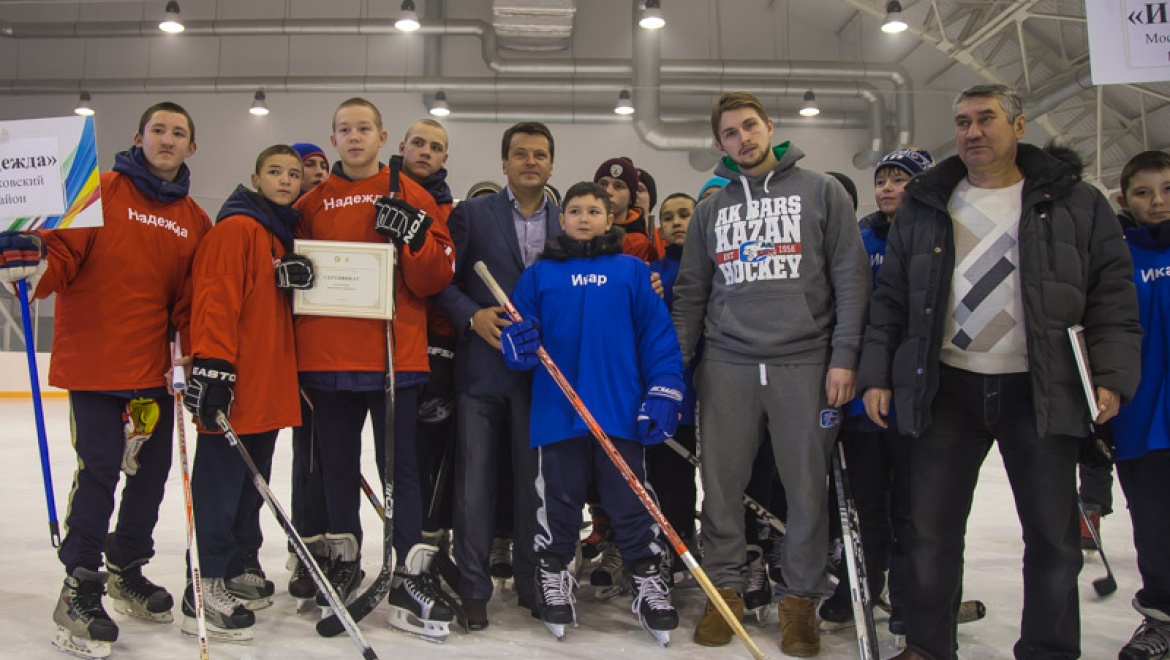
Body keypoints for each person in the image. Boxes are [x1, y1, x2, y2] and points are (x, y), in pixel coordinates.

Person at [857, 84, 1143, 660]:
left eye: (986, 119)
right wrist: (877, 374)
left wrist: (1110, 375)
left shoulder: (1076, 201)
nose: (973, 132)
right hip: (946, 387)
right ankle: (928, 647)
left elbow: (1111, 293)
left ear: (1018, 125)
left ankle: (1048, 649)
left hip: (1040, 387)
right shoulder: (927, 203)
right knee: (931, 531)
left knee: (1053, 537)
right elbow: (890, 299)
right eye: (962, 122)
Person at [0, 102, 211, 659]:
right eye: (158, 130)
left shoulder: (195, 218)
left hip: (153, 375)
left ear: (192, 147)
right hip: (96, 367)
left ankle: (127, 567)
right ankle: (80, 583)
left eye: (178, 133)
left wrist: (194, 356)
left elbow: (193, 299)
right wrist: (32, 261)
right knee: (99, 472)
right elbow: (62, 258)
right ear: (139, 137)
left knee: (150, 475)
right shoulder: (101, 194)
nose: (167, 139)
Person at [673, 91, 870, 657]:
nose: (743, 138)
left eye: (750, 126)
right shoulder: (711, 208)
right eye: (730, 133)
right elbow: (691, 293)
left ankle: (799, 601)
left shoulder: (821, 191)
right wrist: (676, 365)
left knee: (806, 489)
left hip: (804, 361)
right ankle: (724, 592)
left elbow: (851, 278)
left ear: (769, 126)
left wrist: (844, 357)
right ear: (720, 144)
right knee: (720, 488)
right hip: (727, 363)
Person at [293, 97, 456, 640]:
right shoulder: (312, 202)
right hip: (328, 357)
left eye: (364, 128)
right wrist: (288, 274)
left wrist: (414, 238)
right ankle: (342, 559)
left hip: (394, 358)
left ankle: (409, 572)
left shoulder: (411, 194)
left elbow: (435, 278)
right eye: (345, 129)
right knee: (335, 466)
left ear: (382, 137)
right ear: (333, 139)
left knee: (400, 469)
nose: (355, 137)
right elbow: (292, 269)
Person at [500, 181, 683, 643]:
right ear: (561, 220)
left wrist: (664, 389)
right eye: (575, 211)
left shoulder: (632, 271)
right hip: (558, 412)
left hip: (619, 410)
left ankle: (647, 577)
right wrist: (516, 345)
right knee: (557, 502)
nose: (584, 218)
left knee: (629, 502)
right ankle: (554, 571)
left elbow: (657, 337)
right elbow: (521, 338)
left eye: (594, 211)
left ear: (610, 219)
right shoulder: (539, 275)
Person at [182, 144, 314, 641]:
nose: (285, 180)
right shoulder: (237, 228)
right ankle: (205, 584)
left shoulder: (278, 235)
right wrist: (214, 365)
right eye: (274, 172)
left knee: (250, 486)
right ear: (255, 179)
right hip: (234, 385)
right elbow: (214, 297)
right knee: (219, 486)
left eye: (293, 174)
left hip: (267, 385)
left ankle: (238, 563)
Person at [433, 121, 561, 631]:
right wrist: (472, 315)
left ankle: (533, 583)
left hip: (544, 376)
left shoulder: (568, 221)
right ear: (504, 163)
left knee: (535, 486)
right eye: (521, 154)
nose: (531, 162)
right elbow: (441, 283)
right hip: (483, 372)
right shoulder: (471, 214)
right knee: (475, 485)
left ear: (551, 164)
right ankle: (473, 588)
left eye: (540, 155)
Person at [819, 148, 934, 635]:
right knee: (864, 504)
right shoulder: (859, 239)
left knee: (912, 504)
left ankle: (911, 595)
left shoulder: (935, 236)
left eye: (899, 179)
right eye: (882, 179)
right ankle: (859, 585)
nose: (888, 188)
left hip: (911, 395)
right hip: (860, 399)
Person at [1109, 150, 1170, 660]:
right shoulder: (1115, 258)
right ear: (1124, 200)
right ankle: (1162, 621)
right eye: (1144, 192)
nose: (1158, 201)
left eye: (1168, 190)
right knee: (1155, 529)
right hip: (1139, 423)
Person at [645, 193, 699, 558]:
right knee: (671, 473)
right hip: (675, 392)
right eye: (668, 217)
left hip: (718, 386)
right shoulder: (653, 273)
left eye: (684, 215)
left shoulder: (717, 267)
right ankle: (672, 548)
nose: (676, 222)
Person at [595, 157, 657, 262]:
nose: (608, 191)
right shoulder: (582, 231)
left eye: (618, 186)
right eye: (603, 184)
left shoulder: (639, 244)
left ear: (631, 198)